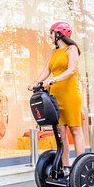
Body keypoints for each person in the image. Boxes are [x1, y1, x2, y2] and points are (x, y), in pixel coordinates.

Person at [29, 21, 85, 177]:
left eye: (51, 32)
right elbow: (46, 70)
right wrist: (36, 83)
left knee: (75, 129)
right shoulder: (54, 52)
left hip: (70, 94)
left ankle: (80, 166)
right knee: (60, 131)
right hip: (55, 96)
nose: (50, 35)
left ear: (59, 34)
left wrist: (54, 80)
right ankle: (66, 167)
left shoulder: (71, 49)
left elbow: (71, 69)